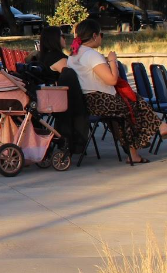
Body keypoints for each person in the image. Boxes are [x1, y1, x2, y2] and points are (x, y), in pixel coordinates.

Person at [67, 18, 167, 164]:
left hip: (88, 101)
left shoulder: (73, 56)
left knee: (131, 105)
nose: (101, 38)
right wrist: (112, 60)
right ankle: (158, 128)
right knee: (134, 102)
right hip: (101, 101)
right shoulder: (91, 55)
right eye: (101, 34)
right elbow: (112, 80)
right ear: (94, 35)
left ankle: (141, 145)